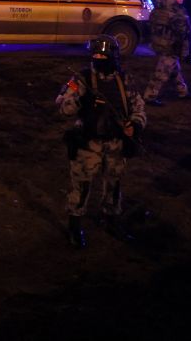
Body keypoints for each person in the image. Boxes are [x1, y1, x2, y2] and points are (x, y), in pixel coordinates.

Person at [56, 35, 147, 248]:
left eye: (104, 56)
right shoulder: (82, 79)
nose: (100, 59)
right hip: (88, 143)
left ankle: (111, 218)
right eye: (96, 55)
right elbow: (63, 108)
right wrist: (79, 99)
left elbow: (139, 107)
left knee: (114, 183)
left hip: (115, 143)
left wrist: (135, 124)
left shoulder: (124, 80)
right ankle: (75, 226)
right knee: (81, 186)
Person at [143, 0, 191, 105]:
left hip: (159, 42)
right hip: (171, 45)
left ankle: (182, 91)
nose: (183, 0)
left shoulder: (159, 6)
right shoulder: (176, 11)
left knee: (174, 69)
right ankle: (150, 96)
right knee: (161, 73)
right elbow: (183, 30)